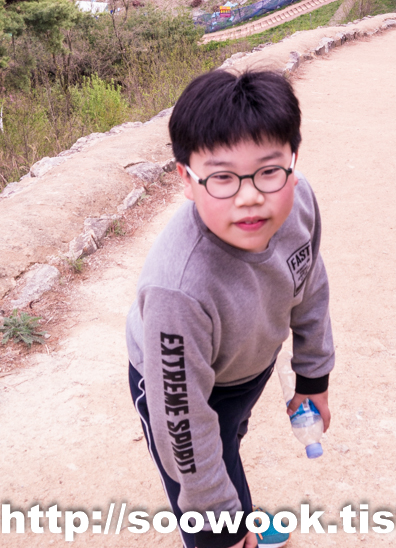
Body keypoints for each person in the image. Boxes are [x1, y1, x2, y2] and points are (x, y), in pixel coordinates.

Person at [126, 68, 334, 548]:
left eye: (269, 170)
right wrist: (220, 522)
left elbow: (310, 283)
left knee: (227, 439)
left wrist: (313, 378)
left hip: (246, 366)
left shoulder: (299, 201)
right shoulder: (179, 290)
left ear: (292, 161)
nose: (250, 196)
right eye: (222, 177)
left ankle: (237, 506)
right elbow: (182, 428)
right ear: (186, 179)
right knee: (205, 471)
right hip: (181, 386)